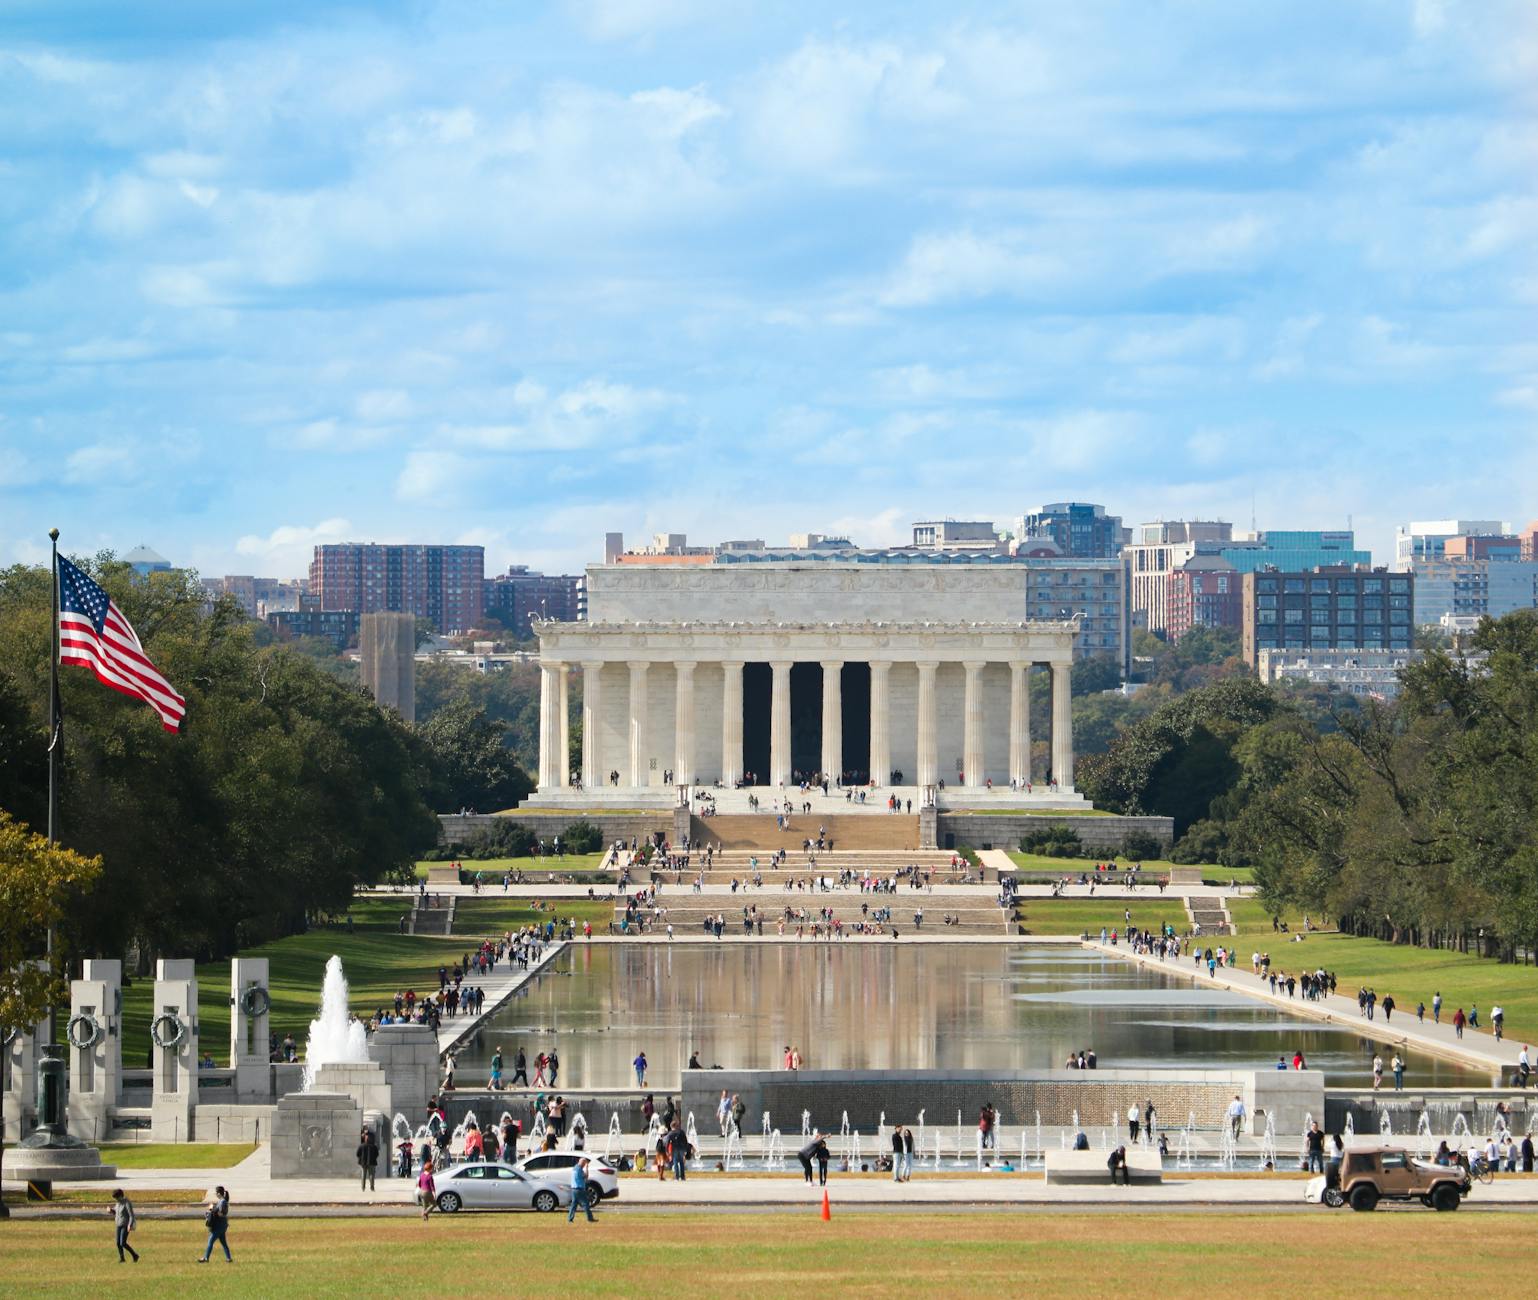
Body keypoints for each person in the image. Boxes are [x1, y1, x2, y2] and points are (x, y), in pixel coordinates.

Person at [196, 1185, 232, 1263]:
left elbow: (222, 1214)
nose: (216, 1194)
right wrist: (213, 1208)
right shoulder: (222, 1201)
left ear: (219, 1193)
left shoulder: (222, 1202)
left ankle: (206, 1258)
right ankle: (229, 1258)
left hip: (219, 1226)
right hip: (222, 1226)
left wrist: (212, 1209)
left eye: (216, 1192)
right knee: (223, 1243)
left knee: (210, 1241)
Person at [110, 1188, 139, 1263]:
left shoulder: (126, 1202)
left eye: (116, 1197)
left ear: (120, 1196)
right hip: (118, 1224)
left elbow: (131, 1215)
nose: (116, 1199)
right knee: (117, 1243)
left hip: (125, 1225)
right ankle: (122, 1259)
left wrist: (129, 1225)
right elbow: (116, 1212)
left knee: (122, 1243)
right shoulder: (118, 1203)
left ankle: (135, 1255)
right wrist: (111, 1211)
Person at [568, 1156, 596, 1223]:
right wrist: (586, 1168)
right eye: (584, 1164)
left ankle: (570, 1219)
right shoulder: (579, 1170)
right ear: (582, 1163)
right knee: (585, 1204)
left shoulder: (575, 1168)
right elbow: (586, 1176)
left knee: (574, 1205)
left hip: (574, 1189)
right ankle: (590, 1218)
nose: (584, 1165)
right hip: (579, 1189)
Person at [356, 1125, 379, 1190]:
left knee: (363, 1175)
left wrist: (361, 1158)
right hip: (372, 1162)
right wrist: (373, 1158)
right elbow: (377, 1154)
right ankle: (372, 1187)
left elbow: (357, 1154)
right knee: (371, 1175)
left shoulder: (361, 1146)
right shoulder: (374, 1147)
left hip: (363, 1162)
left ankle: (363, 1187)